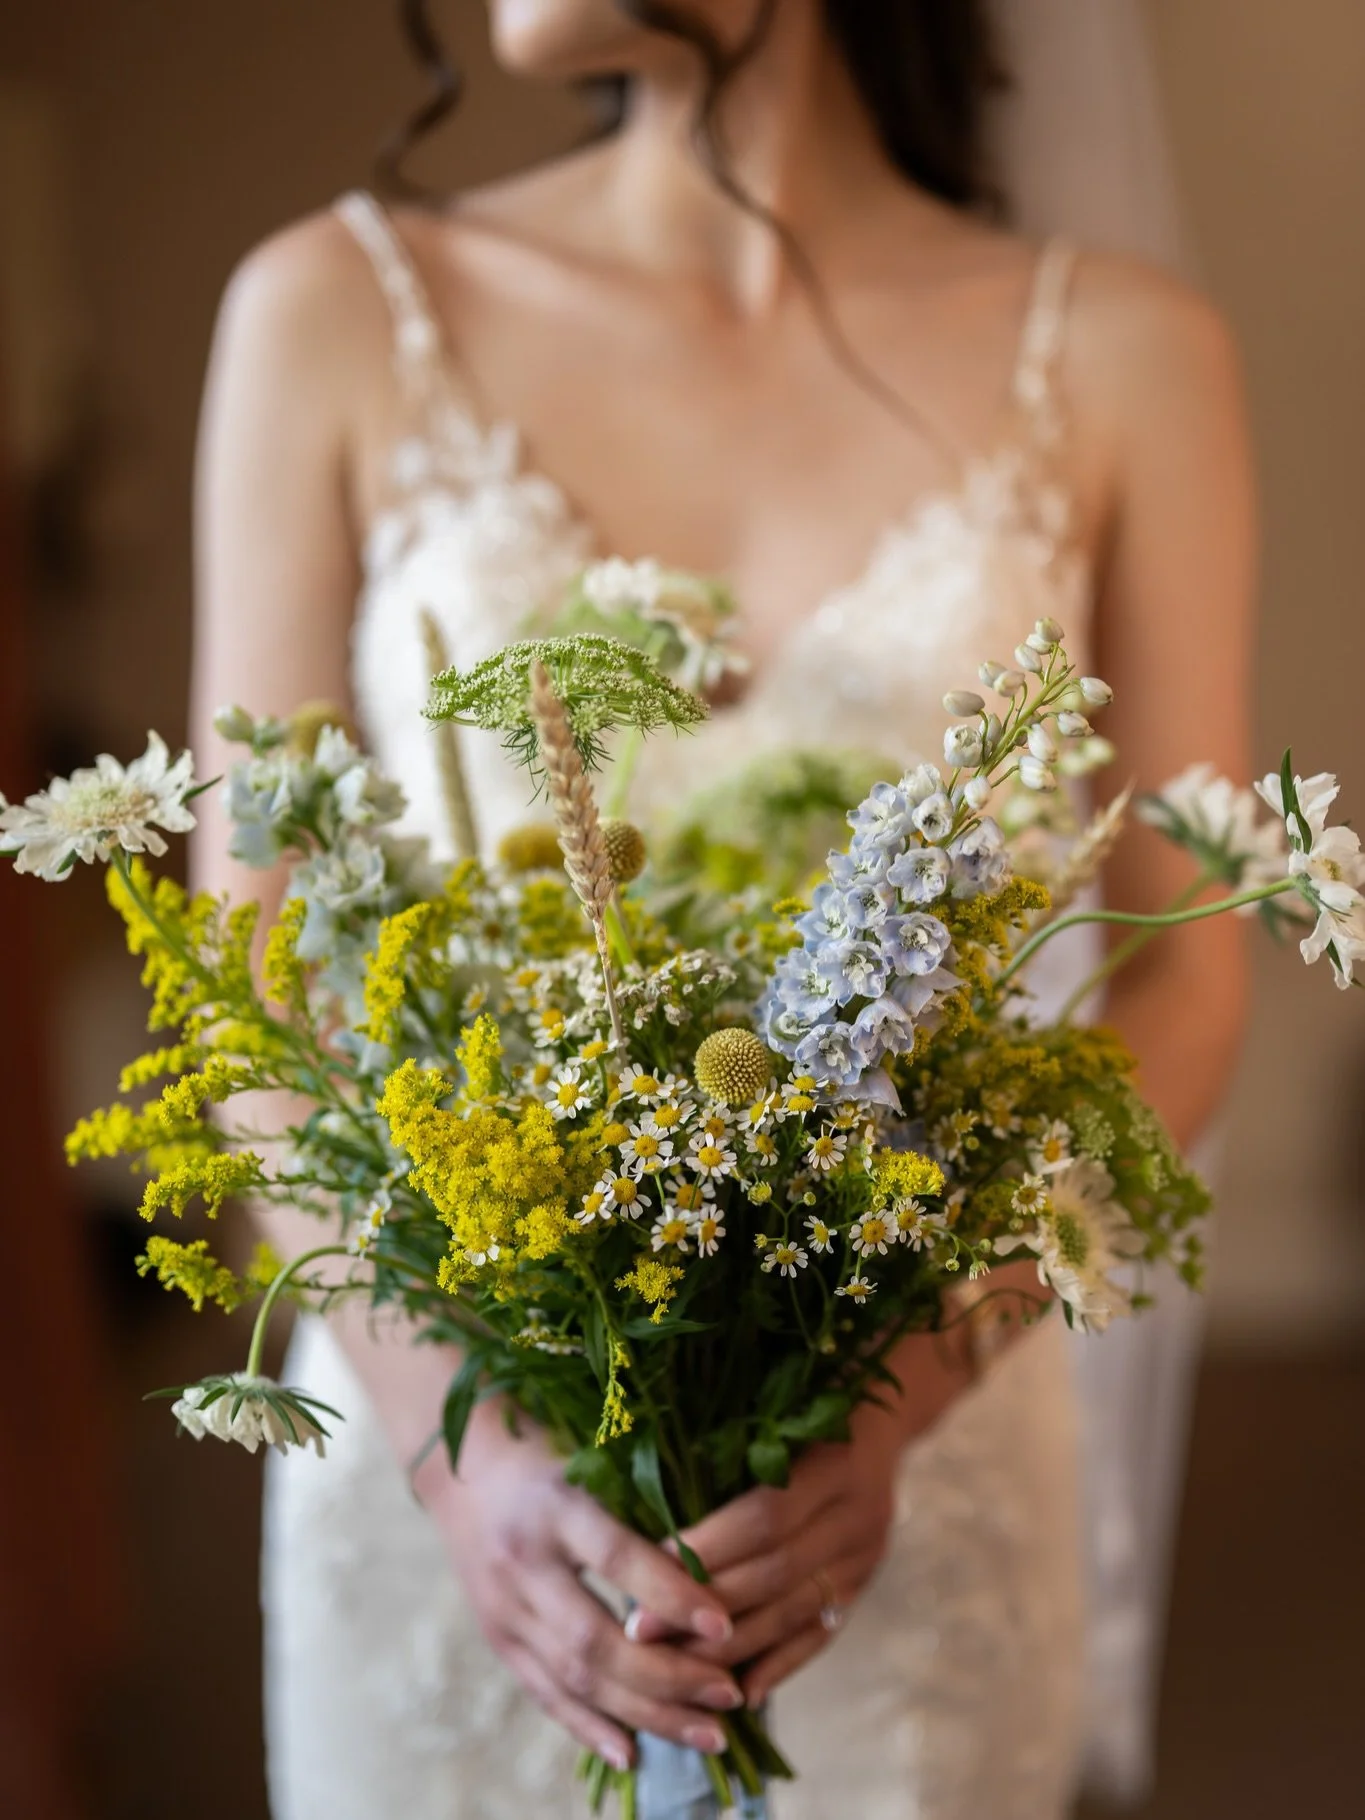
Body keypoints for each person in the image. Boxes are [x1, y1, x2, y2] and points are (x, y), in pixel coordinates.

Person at [190, 3, 1254, 1815]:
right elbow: (247, 976)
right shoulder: (335, 311)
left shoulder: (1128, 356)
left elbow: (1188, 981)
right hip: (468, 1487)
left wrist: (907, 1385)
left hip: (899, 1491)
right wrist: (472, 1462)